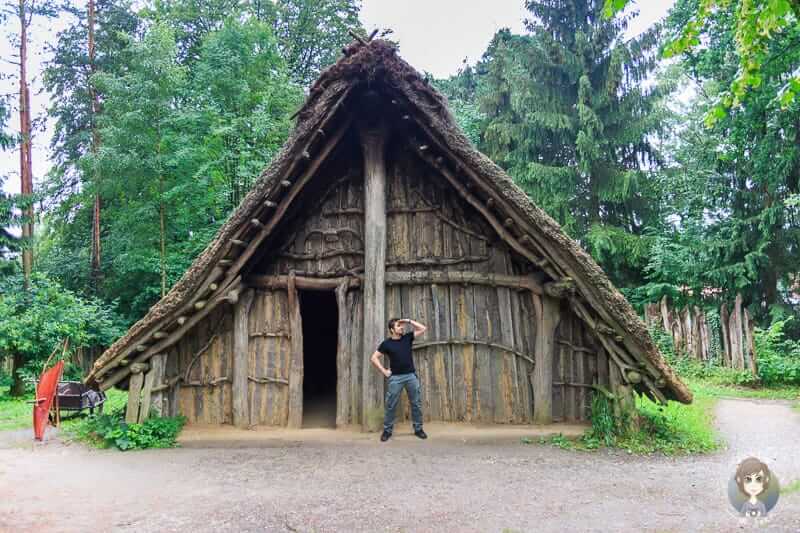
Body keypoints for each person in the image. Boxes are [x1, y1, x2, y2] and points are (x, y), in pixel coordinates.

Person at [370, 317, 427, 442]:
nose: (401, 327)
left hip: (411, 376)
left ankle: (418, 429)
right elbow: (374, 358)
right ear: (392, 330)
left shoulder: (407, 338)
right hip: (395, 378)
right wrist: (384, 371)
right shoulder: (386, 344)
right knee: (391, 405)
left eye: (401, 326)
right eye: (398, 326)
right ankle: (387, 431)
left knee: (416, 403)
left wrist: (407, 321)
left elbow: (423, 328)